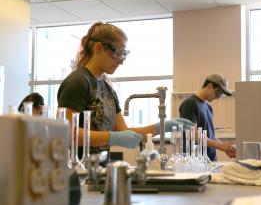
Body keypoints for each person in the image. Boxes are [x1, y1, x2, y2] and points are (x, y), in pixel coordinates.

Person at [57, 22, 193, 159]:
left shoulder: (108, 89)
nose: (121, 61)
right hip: (77, 170)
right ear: (99, 48)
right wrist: (111, 137)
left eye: (124, 54)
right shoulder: (78, 82)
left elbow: (124, 132)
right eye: (118, 53)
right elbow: (66, 132)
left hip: (100, 170)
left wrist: (161, 127)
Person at [179, 74, 236, 161]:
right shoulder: (190, 104)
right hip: (195, 163)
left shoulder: (208, 108)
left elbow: (210, 135)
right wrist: (221, 146)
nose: (218, 97)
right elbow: (194, 136)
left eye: (220, 94)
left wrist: (225, 148)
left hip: (210, 161)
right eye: (218, 92)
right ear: (210, 86)